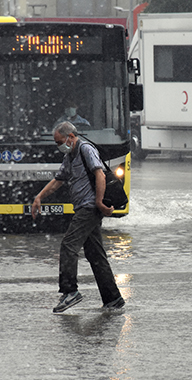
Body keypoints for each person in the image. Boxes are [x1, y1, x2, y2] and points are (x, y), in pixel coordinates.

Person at [31, 121, 125, 313]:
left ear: (71, 137)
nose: (59, 146)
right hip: (84, 207)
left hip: (89, 208)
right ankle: (113, 299)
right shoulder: (70, 156)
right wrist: (39, 196)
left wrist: (99, 202)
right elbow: (58, 181)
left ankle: (70, 291)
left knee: (68, 245)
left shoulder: (86, 149)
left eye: (60, 141)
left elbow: (100, 175)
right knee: (95, 255)